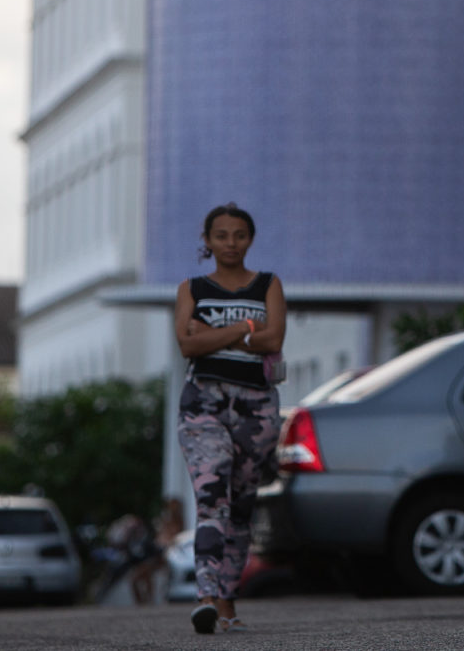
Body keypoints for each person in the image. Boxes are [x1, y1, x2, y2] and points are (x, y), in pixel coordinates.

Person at [174, 203, 286, 635]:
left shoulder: (268, 285)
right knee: (211, 498)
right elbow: (187, 345)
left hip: (257, 407)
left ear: (250, 239)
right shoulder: (192, 289)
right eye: (221, 235)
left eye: (239, 235)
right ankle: (204, 597)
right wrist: (243, 330)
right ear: (207, 241)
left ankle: (227, 601)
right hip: (203, 403)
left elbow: (274, 337)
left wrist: (212, 335)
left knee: (241, 507)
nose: (230, 243)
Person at [130, 497, 186, 605]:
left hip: (163, 556)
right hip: (155, 554)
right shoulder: (166, 522)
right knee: (139, 577)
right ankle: (145, 602)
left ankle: (147, 601)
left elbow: (173, 539)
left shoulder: (177, 523)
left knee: (142, 576)